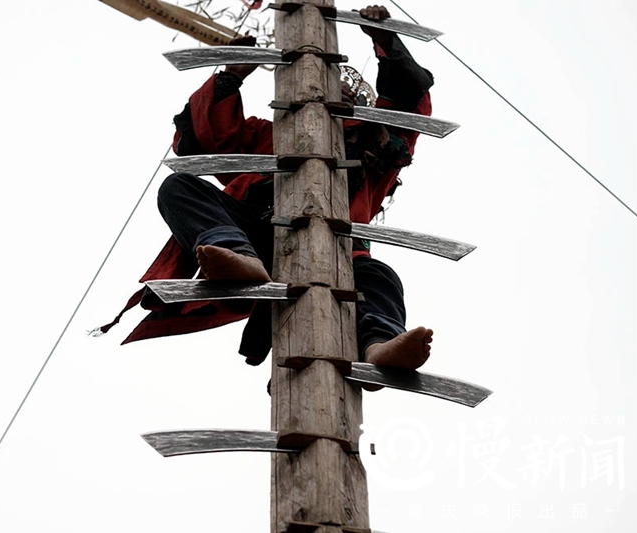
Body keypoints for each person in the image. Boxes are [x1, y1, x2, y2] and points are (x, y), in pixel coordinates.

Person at [98, 5, 434, 374]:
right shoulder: (270, 134)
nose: (340, 90)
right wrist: (232, 76)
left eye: (348, 89)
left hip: (337, 248)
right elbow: (201, 141)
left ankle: (379, 347)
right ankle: (235, 254)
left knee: (379, 276)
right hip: (253, 231)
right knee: (178, 187)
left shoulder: (377, 142)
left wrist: (382, 35)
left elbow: (409, 92)